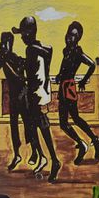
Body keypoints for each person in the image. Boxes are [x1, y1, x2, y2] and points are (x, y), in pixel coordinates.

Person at [12, 15, 61, 183]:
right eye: (21, 35)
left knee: (41, 127)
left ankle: (53, 160)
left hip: (37, 94)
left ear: (31, 32)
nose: (23, 38)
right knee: (33, 127)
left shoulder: (33, 48)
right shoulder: (36, 48)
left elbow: (45, 55)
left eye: (24, 34)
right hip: (37, 93)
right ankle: (43, 158)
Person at [55, 21, 99, 164]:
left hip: (69, 87)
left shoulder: (77, 52)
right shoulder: (66, 50)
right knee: (71, 120)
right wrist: (58, 75)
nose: (70, 37)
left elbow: (92, 65)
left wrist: (83, 80)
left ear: (78, 38)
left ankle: (84, 143)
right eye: (69, 34)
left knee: (67, 122)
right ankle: (94, 139)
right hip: (63, 86)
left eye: (74, 35)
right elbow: (64, 68)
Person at [0, 31, 42, 171]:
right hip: (13, 98)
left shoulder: (16, 58)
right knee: (14, 127)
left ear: (11, 44)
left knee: (29, 125)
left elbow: (24, 73)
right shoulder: (1, 58)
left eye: (6, 43)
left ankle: (34, 152)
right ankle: (17, 155)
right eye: (2, 42)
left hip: (23, 96)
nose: (4, 45)